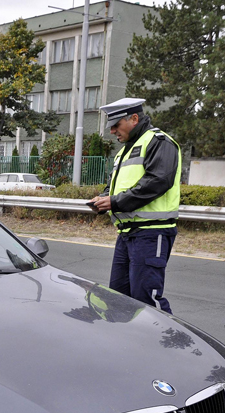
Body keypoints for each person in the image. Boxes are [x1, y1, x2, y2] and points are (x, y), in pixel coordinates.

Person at [89, 97, 181, 314]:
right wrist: (103, 199)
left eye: (116, 125)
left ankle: (167, 344)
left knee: (146, 298)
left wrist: (114, 202)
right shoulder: (125, 151)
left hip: (151, 233)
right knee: (118, 297)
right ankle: (126, 345)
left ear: (134, 118)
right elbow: (116, 187)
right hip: (127, 234)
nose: (112, 131)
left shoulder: (159, 142)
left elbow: (158, 181)